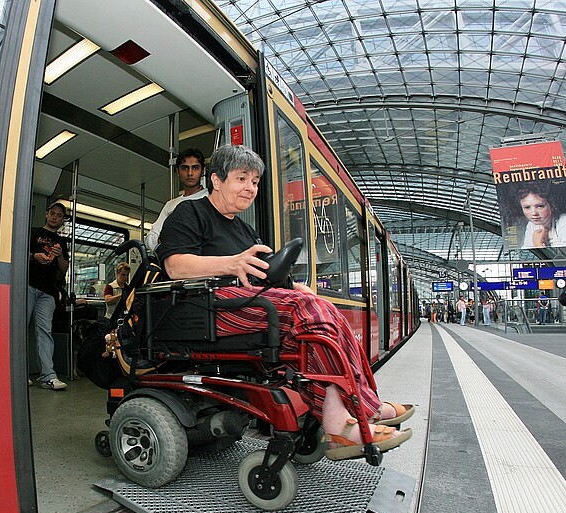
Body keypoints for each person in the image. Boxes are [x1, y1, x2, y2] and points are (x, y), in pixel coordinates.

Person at [156, 145, 412, 461]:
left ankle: (355, 411)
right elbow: (175, 266)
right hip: (206, 306)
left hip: (245, 304)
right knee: (306, 310)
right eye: (241, 179)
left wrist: (299, 289)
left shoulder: (245, 230)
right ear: (216, 180)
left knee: (323, 312)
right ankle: (345, 420)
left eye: (254, 181)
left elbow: (267, 277)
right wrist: (232, 263)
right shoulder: (189, 213)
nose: (250, 188)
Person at [29, 202, 70, 390]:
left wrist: (60, 255)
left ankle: (48, 376)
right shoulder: (34, 233)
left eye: (59, 215)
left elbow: (64, 269)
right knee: (19, 329)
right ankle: (17, 372)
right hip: (28, 285)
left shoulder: (61, 242)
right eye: (52, 213)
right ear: (46, 214)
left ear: (62, 220)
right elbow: (18, 254)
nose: (55, 217)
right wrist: (34, 256)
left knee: (45, 332)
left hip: (49, 292)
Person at [145, 148, 208, 252]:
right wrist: (169, 240)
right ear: (178, 171)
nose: (190, 173)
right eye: (185, 168)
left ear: (202, 171)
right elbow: (149, 239)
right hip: (173, 257)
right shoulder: (170, 205)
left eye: (195, 168)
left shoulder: (210, 198)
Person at [516, 184, 566, 249]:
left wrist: (538, 245)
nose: (534, 213)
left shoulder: (563, 222)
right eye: (527, 207)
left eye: (540, 206)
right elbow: (527, 251)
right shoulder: (531, 225)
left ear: (551, 206)